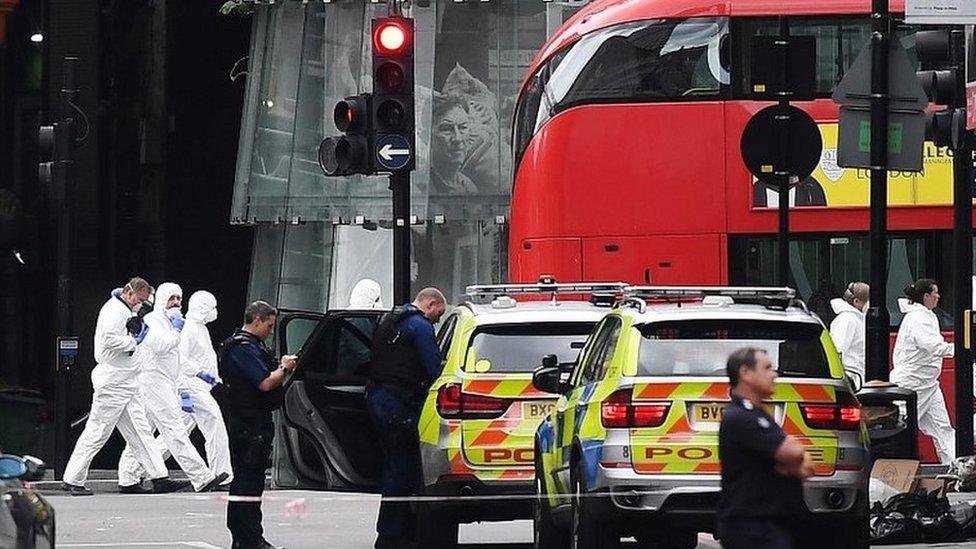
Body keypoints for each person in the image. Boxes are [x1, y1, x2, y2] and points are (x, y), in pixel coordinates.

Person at [61, 278, 187, 495]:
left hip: (127, 380)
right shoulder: (114, 311)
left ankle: (159, 477)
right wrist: (134, 340)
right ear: (129, 294)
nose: (141, 305)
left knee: (140, 431)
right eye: (139, 300)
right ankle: (73, 478)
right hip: (114, 381)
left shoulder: (123, 308)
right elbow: (109, 341)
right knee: (98, 431)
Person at [117, 283, 226, 493]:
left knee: (143, 432)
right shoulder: (153, 321)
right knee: (174, 430)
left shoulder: (169, 323)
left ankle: (128, 476)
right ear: (161, 300)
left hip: (163, 382)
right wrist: (177, 330)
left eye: (179, 298)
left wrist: (187, 385)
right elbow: (160, 346)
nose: (176, 303)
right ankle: (201, 477)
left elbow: (176, 361)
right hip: (152, 381)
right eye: (172, 298)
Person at [367, 287, 447, 549]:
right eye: (439, 313)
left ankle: (396, 531)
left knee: (395, 465)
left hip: (381, 398)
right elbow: (434, 368)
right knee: (401, 468)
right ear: (431, 304)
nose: (437, 319)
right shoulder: (419, 326)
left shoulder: (390, 319)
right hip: (399, 403)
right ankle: (392, 535)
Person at [219, 301, 298, 549]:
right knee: (248, 483)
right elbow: (264, 383)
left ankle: (247, 538)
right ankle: (248, 538)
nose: (271, 331)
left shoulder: (247, 347)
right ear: (257, 321)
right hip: (249, 424)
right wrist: (284, 368)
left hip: (250, 421)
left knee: (248, 483)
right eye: (269, 325)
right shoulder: (243, 348)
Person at [717, 347, 814, 549]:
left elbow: (806, 466)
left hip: (770, 525)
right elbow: (795, 453)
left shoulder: (758, 414)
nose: (774, 374)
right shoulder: (741, 417)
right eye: (768, 368)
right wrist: (789, 461)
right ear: (745, 373)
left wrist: (789, 463)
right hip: (751, 528)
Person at [890, 279, 955, 463]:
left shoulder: (924, 315)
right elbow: (931, 345)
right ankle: (890, 468)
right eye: (935, 293)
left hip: (927, 384)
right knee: (899, 428)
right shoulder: (919, 318)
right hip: (913, 384)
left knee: (943, 428)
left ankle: (955, 468)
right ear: (926, 296)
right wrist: (957, 350)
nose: (938, 296)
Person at [830, 281, 869, 387]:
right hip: (851, 378)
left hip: (857, 377)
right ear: (856, 301)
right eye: (867, 301)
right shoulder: (847, 320)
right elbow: (839, 350)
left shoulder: (856, 319)